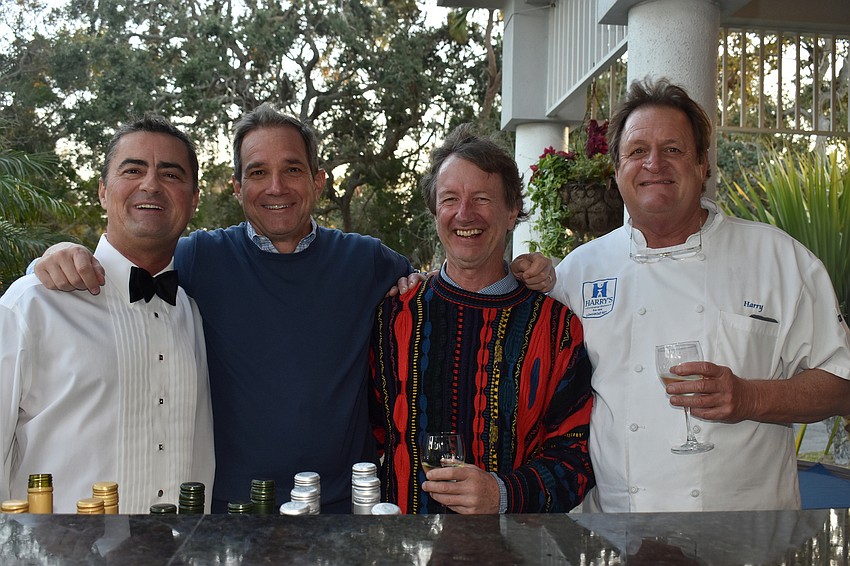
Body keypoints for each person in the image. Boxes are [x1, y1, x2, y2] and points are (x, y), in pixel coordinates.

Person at [31, 104, 556, 513]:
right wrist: (61, 254)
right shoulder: (198, 259)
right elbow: (131, 263)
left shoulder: (368, 261)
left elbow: (454, 282)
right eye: (258, 172)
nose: (276, 187)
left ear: (318, 180)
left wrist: (529, 271)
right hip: (232, 514)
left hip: (346, 511)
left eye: (292, 169)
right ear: (237, 187)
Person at [549, 78, 850, 512]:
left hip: (746, 533)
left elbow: (841, 383)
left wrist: (750, 398)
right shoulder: (579, 271)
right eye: (637, 151)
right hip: (618, 531)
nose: (654, 163)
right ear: (616, 170)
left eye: (673, 149)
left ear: (702, 164)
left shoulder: (778, 258)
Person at [370, 124, 594, 514]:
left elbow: (576, 456)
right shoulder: (393, 318)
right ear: (435, 212)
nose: (464, 213)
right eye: (450, 199)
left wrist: (502, 493)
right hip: (404, 541)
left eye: (482, 198)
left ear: (512, 212)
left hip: (513, 543)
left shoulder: (556, 329)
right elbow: (363, 437)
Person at [0, 115, 215, 513]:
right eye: (133, 170)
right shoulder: (32, 305)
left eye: (171, 174)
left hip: (184, 543)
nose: (151, 184)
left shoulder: (195, 314)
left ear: (194, 198)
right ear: (102, 191)